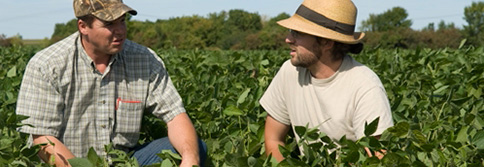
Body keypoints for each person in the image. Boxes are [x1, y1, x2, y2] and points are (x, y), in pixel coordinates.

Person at [15, 0, 206, 166]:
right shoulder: (48, 66)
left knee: (194, 148)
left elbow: (175, 115)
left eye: (122, 21)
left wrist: (190, 160)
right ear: (83, 26)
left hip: (126, 161)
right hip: (71, 162)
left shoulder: (144, 59)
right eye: (109, 24)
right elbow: (42, 139)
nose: (120, 31)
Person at [260, 0, 394, 162]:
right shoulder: (289, 72)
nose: (288, 39)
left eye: (298, 33)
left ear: (327, 42)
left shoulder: (365, 87)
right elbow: (273, 139)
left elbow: (376, 158)